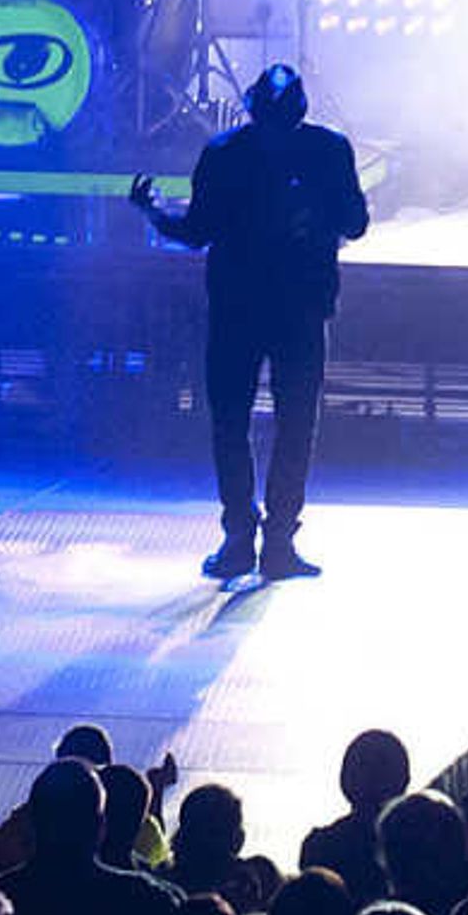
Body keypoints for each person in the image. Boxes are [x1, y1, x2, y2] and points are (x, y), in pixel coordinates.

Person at [129, 65, 368, 582]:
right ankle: (277, 543)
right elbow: (357, 224)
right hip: (301, 308)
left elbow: (195, 232)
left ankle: (241, 538)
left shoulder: (225, 152)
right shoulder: (329, 150)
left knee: (231, 423)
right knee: (294, 426)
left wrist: (152, 213)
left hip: (239, 310)